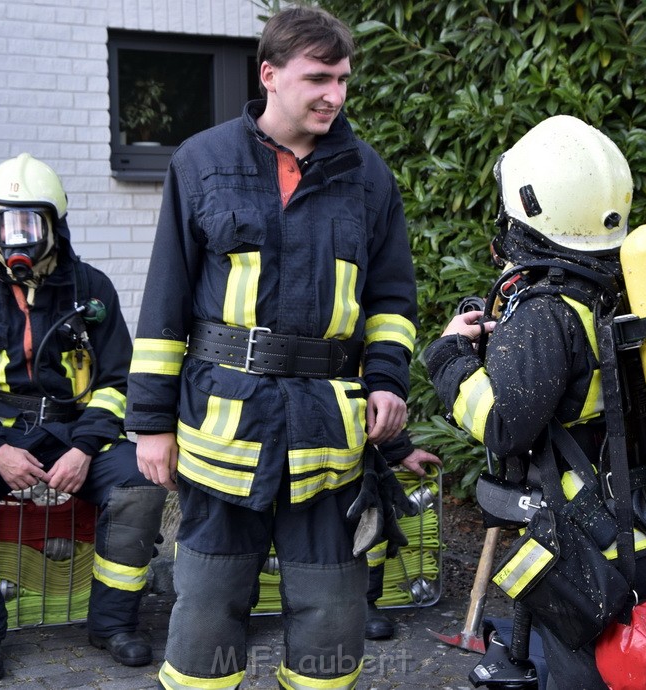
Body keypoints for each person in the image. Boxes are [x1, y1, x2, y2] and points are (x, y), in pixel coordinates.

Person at [125, 6, 418, 689]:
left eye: (343, 79)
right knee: (207, 609)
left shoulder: (369, 177)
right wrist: (148, 425)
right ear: (270, 75)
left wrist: (387, 381)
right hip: (224, 429)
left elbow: (393, 302)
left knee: (331, 615)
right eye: (319, 77)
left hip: (327, 434)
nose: (335, 95)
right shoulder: (202, 162)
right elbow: (165, 301)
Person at [425, 115, 646, 689]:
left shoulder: (546, 309)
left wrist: (449, 357)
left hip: (592, 550)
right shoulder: (620, 292)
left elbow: (501, 424)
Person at [0, 153, 167, 682]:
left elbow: (118, 381)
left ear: (53, 225)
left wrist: (84, 448)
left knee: (137, 484)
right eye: (6, 223)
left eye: (30, 223)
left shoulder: (91, 290)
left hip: (74, 430)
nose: (18, 238)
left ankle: (114, 624)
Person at [365, 436, 441, 640]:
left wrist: (398, 449)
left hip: (346, 459)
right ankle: (303, 606)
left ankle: (364, 602)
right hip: (276, 457)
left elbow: (371, 406)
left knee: (369, 518)